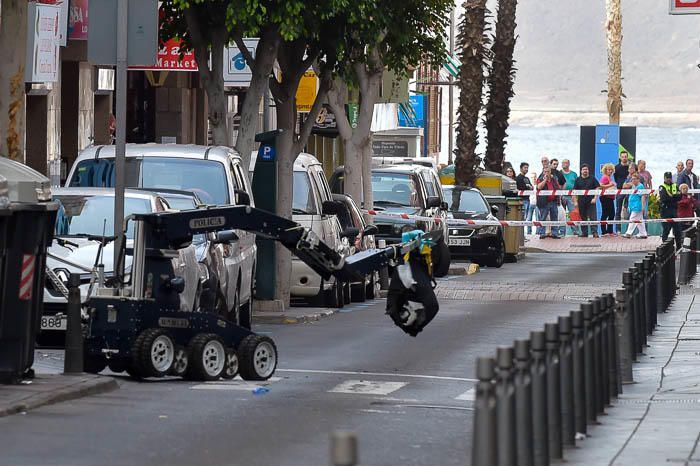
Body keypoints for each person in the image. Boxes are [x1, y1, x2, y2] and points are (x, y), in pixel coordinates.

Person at [573, 164, 600, 238]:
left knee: (593, 218)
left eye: (586, 169)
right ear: (581, 171)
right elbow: (574, 191)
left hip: (591, 201)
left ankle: (594, 232)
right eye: (584, 169)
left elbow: (597, 188)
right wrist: (575, 202)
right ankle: (584, 233)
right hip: (581, 202)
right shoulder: (578, 179)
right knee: (582, 218)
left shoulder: (592, 178)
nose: (585, 171)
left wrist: (595, 198)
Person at [659, 172, 682, 250]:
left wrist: (672, 196)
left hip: (674, 210)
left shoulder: (675, 185)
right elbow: (664, 198)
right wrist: (674, 197)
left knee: (677, 231)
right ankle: (664, 248)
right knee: (666, 230)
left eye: (670, 177)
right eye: (667, 178)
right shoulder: (662, 187)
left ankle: (679, 248)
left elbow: (680, 196)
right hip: (665, 210)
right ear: (664, 178)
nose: (668, 179)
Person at [536, 166, 561, 239]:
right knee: (543, 218)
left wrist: (558, 199)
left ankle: (555, 233)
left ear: (550, 172)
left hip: (553, 201)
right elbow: (539, 187)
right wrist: (545, 180)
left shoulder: (554, 179)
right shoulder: (540, 179)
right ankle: (542, 233)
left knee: (555, 218)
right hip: (544, 202)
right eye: (545, 172)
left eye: (548, 172)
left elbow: (558, 188)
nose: (546, 173)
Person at [623, 173, 648, 239]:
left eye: (634, 179)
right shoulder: (634, 186)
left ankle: (628, 233)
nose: (633, 180)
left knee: (632, 219)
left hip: (637, 206)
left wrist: (643, 206)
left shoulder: (640, 186)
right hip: (633, 206)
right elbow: (625, 186)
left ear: (638, 179)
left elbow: (643, 196)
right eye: (632, 179)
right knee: (640, 221)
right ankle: (643, 233)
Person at [560, 159, 579, 236]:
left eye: (565, 163)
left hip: (571, 196)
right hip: (561, 196)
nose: (563, 164)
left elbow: (576, 185)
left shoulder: (574, 174)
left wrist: (575, 198)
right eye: (562, 163)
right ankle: (562, 232)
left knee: (573, 214)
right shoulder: (559, 173)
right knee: (562, 215)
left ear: (568, 164)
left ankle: (575, 232)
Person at [614, 151, 630, 234]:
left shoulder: (629, 167)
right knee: (618, 210)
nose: (624, 158)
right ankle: (618, 230)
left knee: (628, 209)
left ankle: (628, 230)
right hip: (620, 190)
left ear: (627, 157)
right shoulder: (616, 167)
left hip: (629, 191)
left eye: (625, 156)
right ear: (620, 157)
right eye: (623, 156)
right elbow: (616, 178)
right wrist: (620, 185)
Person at [599, 163, 617, 236]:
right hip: (605, 198)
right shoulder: (605, 177)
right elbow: (600, 186)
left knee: (611, 214)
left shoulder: (610, 178)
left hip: (610, 198)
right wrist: (611, 185)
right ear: (605, 170)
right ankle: (604, 232)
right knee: (605, 214)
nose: (610, 171)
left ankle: (610, 231)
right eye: (608, 170)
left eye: (611, 170)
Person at [516, 163, 533, 233]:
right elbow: (521, 188)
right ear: (521, 168)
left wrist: (529, 187)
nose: (526, 169)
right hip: (522, 200)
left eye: (527, 168)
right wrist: (528, 187)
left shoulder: (527, 178)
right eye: (525, 167)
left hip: (528, 199)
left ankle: (526, 234)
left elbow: (532, 187)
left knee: (527, 218)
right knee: (522, 218)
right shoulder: (518, 178)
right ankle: (521, 235)